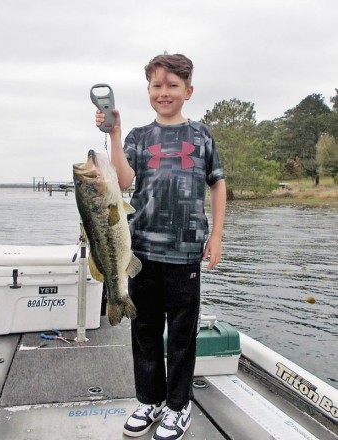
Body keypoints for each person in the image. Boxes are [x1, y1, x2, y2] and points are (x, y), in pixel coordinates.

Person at [95, 53, 226, 440]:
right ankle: (149, 400)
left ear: (188, 90)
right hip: (141, 253)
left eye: (172, 85)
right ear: (148, 90)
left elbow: (217, 184)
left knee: (182, 335)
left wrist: (216, 235)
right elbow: (121, 180)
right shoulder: (138, 136)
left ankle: (177, 407)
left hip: (186, 252)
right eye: (157, 85)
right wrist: (115, 135)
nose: (164, 92)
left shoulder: (201, 135)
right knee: (145, 331)